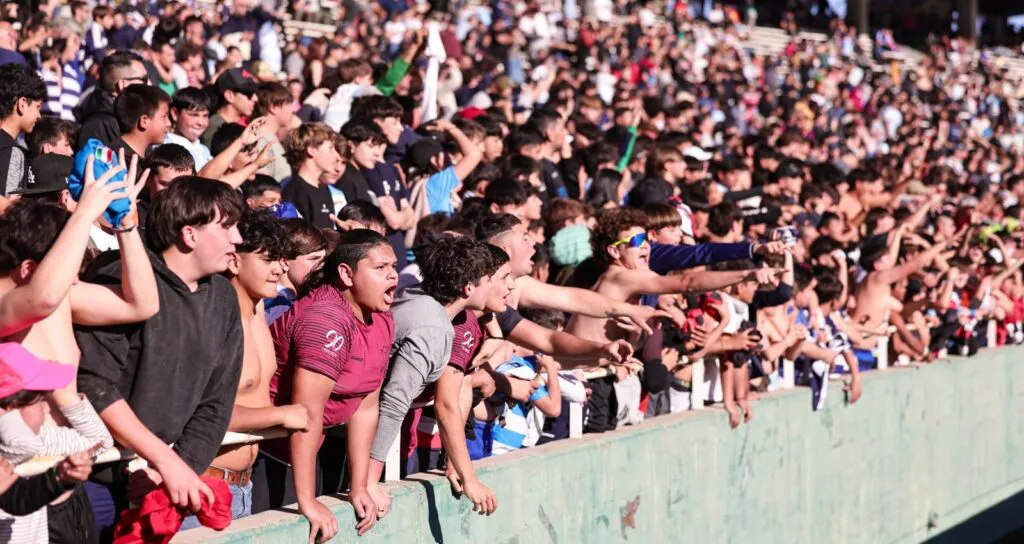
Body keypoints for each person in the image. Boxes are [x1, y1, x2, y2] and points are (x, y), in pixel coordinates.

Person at [75, 177, 245, 540]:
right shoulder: (119, 274)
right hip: (96, 475)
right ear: (190, 234)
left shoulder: (224, 298)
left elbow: (217, 402)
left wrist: (173, 467)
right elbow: (91, 382)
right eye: (227, 227)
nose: (238, 240)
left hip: (164, 481)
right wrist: (150, 462)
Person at [264, 229, 398, 541]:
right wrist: (307, 500)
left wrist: (361, 485)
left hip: (312, 449)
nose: (392, 276)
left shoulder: (381, 317)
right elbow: (305, 414)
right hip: (268, 452)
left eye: (393, 267)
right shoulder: (325, 318)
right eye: (380, 268)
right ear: (346, 274)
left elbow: (366, 405)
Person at [181, 210, 309, 529]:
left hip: (243, 487)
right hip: (201, 488)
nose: (281, 269)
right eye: (269, 259)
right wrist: (280, 416)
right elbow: (198, 412)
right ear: (235, 261)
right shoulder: (212, 322)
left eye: (282, 259)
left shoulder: (258, 312)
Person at [367, 236, 497, 516]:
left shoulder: (415, 295)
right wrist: (369, 481)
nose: (493, 285)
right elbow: (394, 402)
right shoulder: (433, 327)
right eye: (489, 279)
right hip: (350, 435)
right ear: (468, 287)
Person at [0, 343, 113, 544]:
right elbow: (23, 446)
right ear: (10, 410)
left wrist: (59, 477)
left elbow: (18, 500)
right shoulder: (21, 445)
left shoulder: (40, 438)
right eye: (40, 400)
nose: (46, 409)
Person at [75, 51, 149, 149]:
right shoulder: (97, 126)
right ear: (123, 85)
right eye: (144, 79)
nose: (149, 85)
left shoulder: (124, 119)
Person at [280, 123, 342, 229]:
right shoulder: (293, 191)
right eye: (331, 148)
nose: (337, 156)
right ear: (311, 150)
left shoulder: (324, 188)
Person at [0, 64, 46, 199]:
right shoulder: (12, 152)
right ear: (22, 104)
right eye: (37, 107)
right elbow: (7, 210)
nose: (39, 115)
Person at [111, 84, 171, 164]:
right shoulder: (116, 161)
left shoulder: (148, 157)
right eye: (164, 116)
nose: (169, 123)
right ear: (144, 121)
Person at [201, 68, 259, 149]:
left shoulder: (240, 125)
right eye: (248, 93)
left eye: (255, 93)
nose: (255, 98)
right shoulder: (215, 130)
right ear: (229, 96)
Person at [164, 87, 214, 171]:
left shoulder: (204, 150)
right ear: (175, 113)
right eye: (194, 115)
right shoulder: (165, 146)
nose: (200, 123)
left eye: (205, 116)